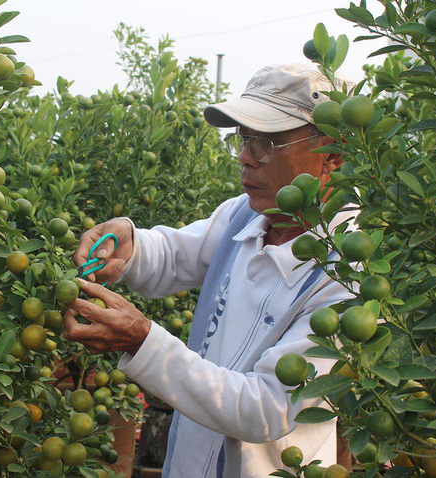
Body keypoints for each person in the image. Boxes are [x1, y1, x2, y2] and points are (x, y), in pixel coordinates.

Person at [65, 63, 357, 478]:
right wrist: (130, 243)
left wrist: (144, 341)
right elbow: (174, 253)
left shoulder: (348, 277)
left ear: (331, 156)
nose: (245, 158)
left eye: (267, 142)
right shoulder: (247, 215)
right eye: (244, 139)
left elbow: (267, 407)